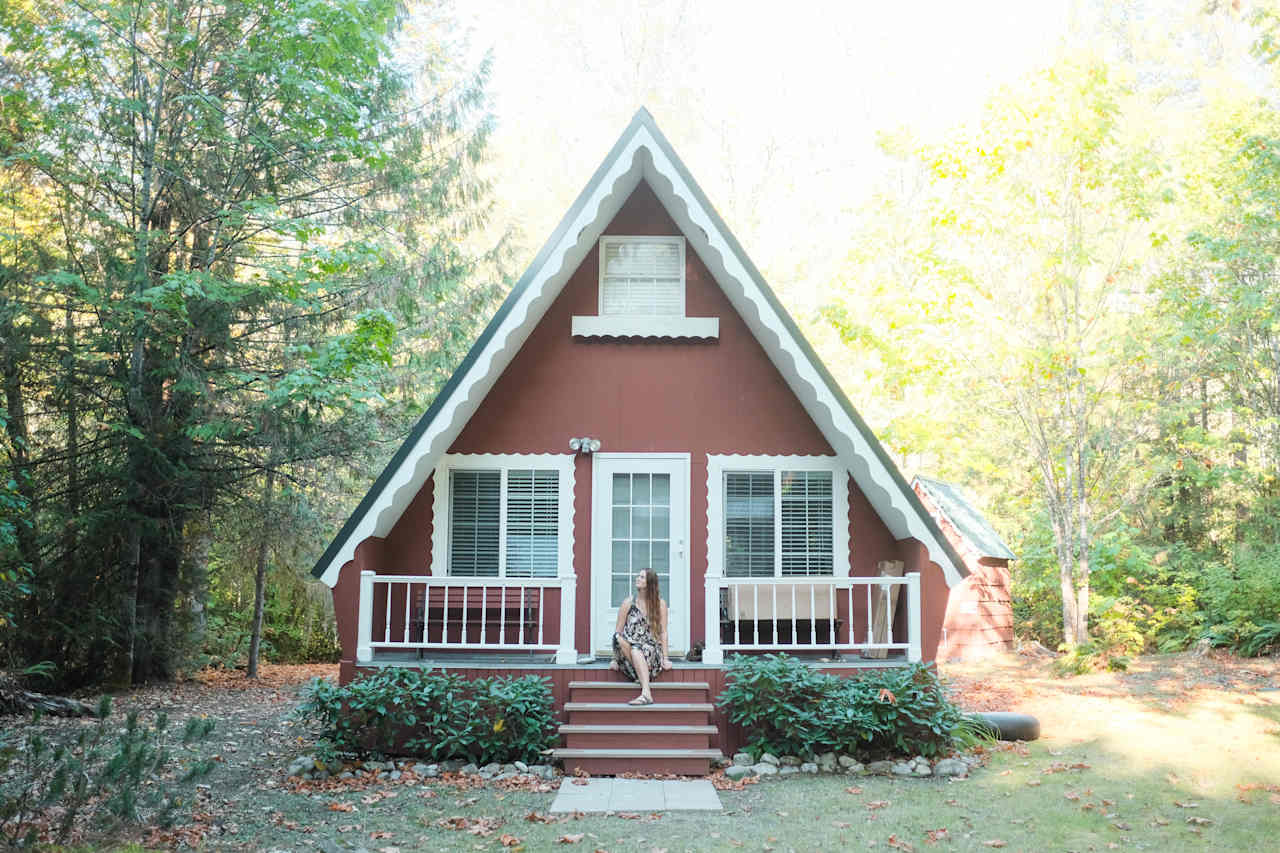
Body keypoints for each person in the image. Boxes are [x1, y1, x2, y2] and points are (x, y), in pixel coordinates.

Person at [610, 569, 672, 705]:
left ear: (649, 583)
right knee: (619, 638)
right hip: (629, 652)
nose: (637, 578)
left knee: (636, 649)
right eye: (638, 576)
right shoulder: (628, 603)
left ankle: (646, 692)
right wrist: (614, 659)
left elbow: (663, 632)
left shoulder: (660, 604)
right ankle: (645, 688)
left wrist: (665, 658)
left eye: (642, 577)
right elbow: (618, 630)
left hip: (650, 651)